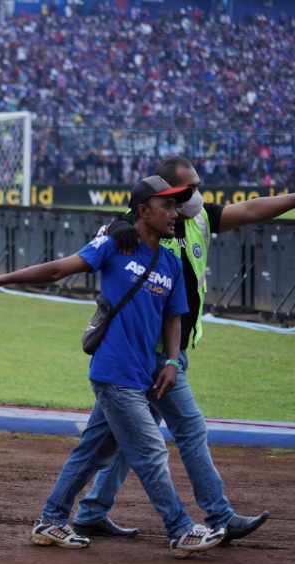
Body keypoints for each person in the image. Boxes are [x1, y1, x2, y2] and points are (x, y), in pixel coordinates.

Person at [0, 176, 227, 558]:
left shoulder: (171, 263)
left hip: (144, 375)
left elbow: (174, 317)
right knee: (150, 451)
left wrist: (173, 361)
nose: (175, 214)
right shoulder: (114, 244)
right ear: (144, 210)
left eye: (177, 207)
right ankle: (179, 529)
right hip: (114, 374)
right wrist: (2, 279)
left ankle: (52, 520)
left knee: (92, 454)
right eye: (168, 207)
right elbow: (60, 269)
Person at [71, 156, 291, 542]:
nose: (196, 195)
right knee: (189, 428)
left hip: (156, 355)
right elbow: (111, 234)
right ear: (164, 191)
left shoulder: (199, 216)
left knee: (123, 439)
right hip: (152, 354)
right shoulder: (141, 223)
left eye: (197, 187)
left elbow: (254, 209)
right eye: (187, 189)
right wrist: (119, 227)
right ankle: (219, 515)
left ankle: (89, 510)